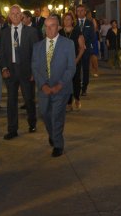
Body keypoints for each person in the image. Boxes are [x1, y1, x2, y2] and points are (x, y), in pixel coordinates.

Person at [31, 15, 76, 157]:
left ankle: (58, 144)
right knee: (44, 113)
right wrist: (42, 84)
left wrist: (60, 85)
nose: (49, 29)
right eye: (47, 26)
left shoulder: (68, 44)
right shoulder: (37, 46)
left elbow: (71, 68)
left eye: (53, 25)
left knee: (57, 116)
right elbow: (35, 67)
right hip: (44, 88)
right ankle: (53, 134)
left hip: (61, 88)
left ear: (59, 27)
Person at [0, 5, 39, 139]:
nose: (15, 16)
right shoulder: (4, 32)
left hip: (26, 71)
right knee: (11, 101)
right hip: (10, 72)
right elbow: (2, 53)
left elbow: (36, 53)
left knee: (29, 99)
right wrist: (4, 68)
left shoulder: (31, 32)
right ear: (9, 16)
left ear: (21, 16)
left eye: (18, 14)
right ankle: (12, 129)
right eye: (13, 13)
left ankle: (32, 122)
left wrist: (35, 71)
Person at [60, 11, 86, 111]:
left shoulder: (77, 32)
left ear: (72, 21)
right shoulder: (60, 32)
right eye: (65, 19)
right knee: (66, 82)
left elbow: (82, 48)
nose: (67, 21)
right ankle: (69, 102)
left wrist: (76, 60)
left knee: (76, 81)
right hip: (63, 62)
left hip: (75, 60)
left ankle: (77, 98)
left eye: (69, 19)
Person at [76, 5, 95, 95]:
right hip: (76, 51)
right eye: (78, 11)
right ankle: (77, 87)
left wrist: (87, 45)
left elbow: (92, 36)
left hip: (86, 50)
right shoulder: (74, 23)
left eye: (82, 10)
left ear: (85, 12)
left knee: (85, 69)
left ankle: (84, 88)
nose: (80, 12)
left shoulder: (89, 23)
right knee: (76, 69)